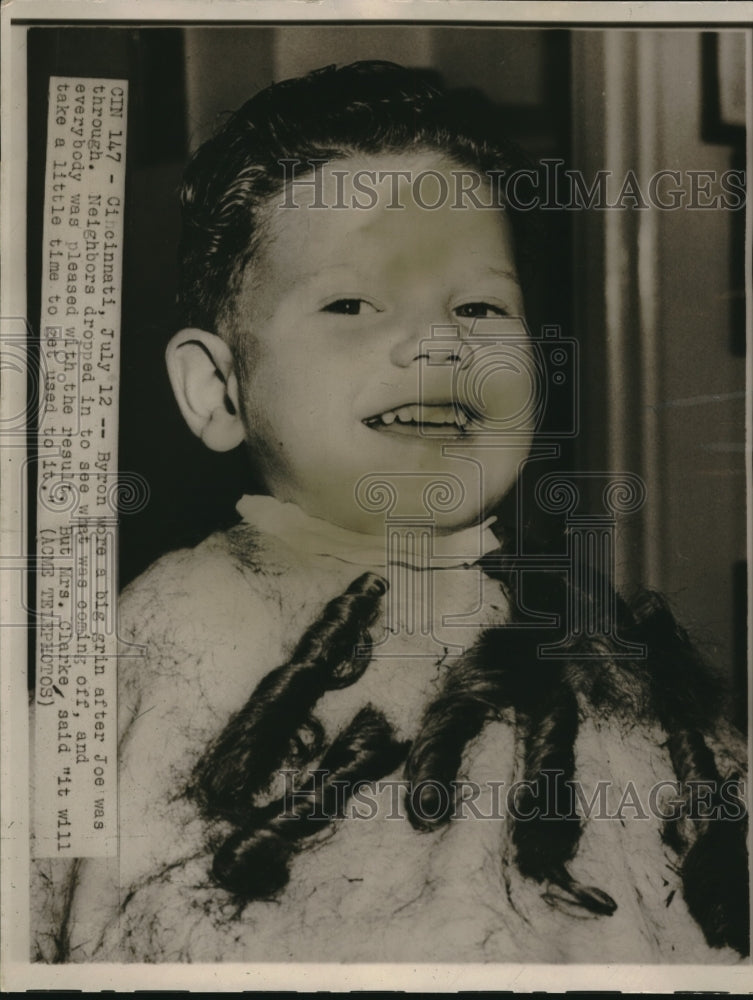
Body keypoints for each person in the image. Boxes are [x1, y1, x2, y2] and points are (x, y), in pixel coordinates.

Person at [32, 60, 748, 964]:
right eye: (351, 302)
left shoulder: (602, 652)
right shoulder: (158, 642)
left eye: (481, 305)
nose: (440, 341)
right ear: (216, 390)